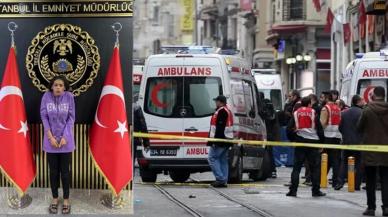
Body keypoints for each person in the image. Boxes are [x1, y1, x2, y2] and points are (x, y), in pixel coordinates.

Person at [40, 76, 75, 215]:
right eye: (56, 85)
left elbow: (71, 118)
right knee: (53, 172)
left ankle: (66, 199)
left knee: (65, 173)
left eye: (61, 85)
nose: (58, 87)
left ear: (65, 87)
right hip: (51, 142)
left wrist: (65, 136)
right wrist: (50, 137)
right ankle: (55, 198)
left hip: (66, 142)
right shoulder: (46, 97)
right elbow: (44, 117)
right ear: (52, 87)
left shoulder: (69, 97)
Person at [286, 97, 326, 197]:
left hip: (300, 142)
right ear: (309, 104)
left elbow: (288, 129)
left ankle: (293, 190)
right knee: (314, 168)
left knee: (297, 168)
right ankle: (315, 191)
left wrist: (293, 139)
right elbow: (320, 129)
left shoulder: (296, 113)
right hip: (313, 143)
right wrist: (321, 143)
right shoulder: (313, 112)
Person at [357, 86, 388, 216]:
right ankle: (386, 208)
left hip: (370, 150)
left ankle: (371, 208)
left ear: (373, 96)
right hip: (386, 151)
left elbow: (359, 127)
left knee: (370, 180)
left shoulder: (367, 109)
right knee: (386, 180)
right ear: (384, 96)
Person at [336, 95, 365, 191]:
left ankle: (340, 182)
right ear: (358, 102)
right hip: (359, 142)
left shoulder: (344, 113)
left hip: (347, 142)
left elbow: (340, 127)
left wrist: (345, 135)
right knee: (358, 163)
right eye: (362, 100)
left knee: (344, 162)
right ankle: (356, 184)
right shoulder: (362, 113)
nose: (364, 102)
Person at [208, 95, 233, 188]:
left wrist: (215, 141)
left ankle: (220, 179)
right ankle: (224, 180)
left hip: (221, 140)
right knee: (222, 160)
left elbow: (219, 128)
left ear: (220, 102)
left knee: (212, 158)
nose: (215, 103)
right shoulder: (227, 110)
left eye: (216, 101)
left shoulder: (222, 111)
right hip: (226, 139)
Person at [320, 91, 342, 189]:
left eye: (322, 97)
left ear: (326, 98)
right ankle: (335, 181)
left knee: (325, 159)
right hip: (337, 136)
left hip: (327, 136)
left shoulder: (326, 108)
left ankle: (321, 179)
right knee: (335, 160)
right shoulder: (337, 108)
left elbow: (323, 123)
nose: (321, 99)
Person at [262, 98, 281, 178]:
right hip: (270, 135)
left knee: (268, 153)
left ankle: (272, 170)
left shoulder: (269, 113)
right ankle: (272, 170)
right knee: (269, 153)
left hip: (268, 135)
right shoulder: (273, 113)